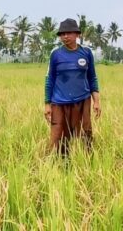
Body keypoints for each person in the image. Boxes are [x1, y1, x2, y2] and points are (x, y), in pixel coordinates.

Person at [44, 18, 101, 157]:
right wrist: (47, 104)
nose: (65, 36)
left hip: (82, 101)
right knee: (59, 136)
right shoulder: (56, 54)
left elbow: (92, 77)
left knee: (85, 133)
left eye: (68, 33)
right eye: (62, 34)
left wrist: (97, 101)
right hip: (59, 102)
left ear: (77, 34)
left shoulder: (86, 53)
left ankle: (87, 161)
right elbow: (49, 79)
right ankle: (61, 165)